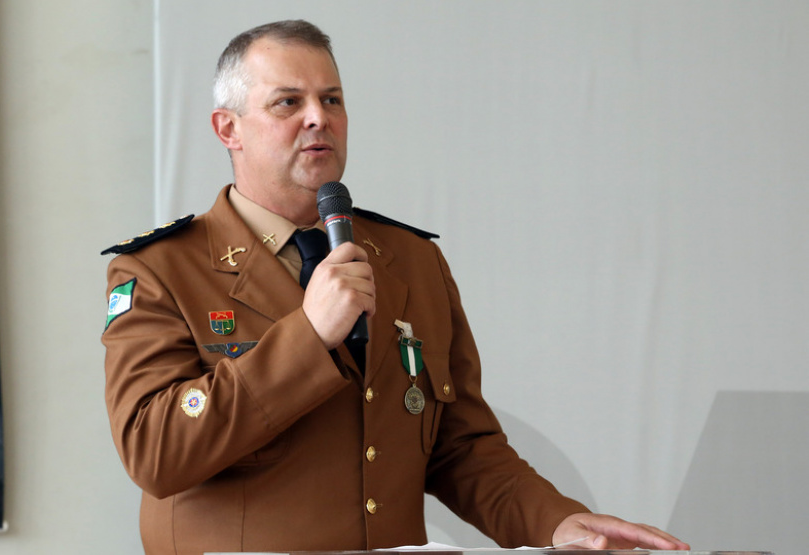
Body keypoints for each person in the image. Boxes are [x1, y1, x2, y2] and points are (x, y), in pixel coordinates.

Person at [101, 20, 689, 554]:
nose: (318, 118)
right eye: (288, 102)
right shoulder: (160, 269)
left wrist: (559, 524)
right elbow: (155, 451)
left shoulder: (410, 260)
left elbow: (463, 449)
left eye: (332, 99)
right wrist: (309, 335)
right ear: (228, 128)